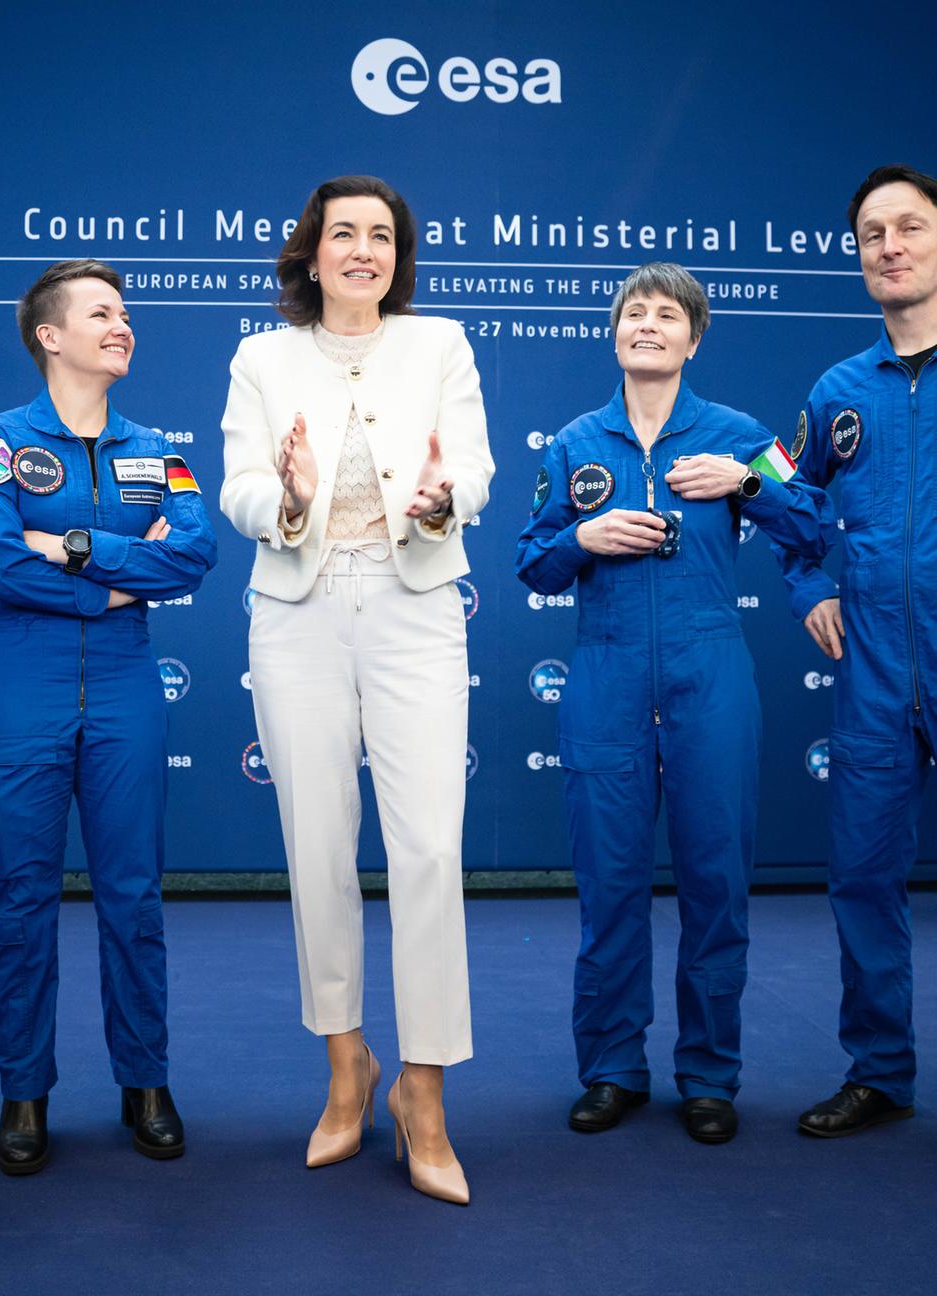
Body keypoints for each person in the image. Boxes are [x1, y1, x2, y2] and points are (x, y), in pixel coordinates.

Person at [220, 175, 493, 1204]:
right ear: (312, 251)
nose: (364, 251)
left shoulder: (441, 345)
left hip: (416, 607)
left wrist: (443, 495)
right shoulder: (261, 357)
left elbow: (474, 466)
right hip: (297, 613)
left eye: (382, 237)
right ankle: (348, 1069)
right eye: (345, 234)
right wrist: (284, 498)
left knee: (427, 848)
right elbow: (240, 482)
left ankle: (422, 1093)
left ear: (398, 258)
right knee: (319, 848)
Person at [517, 263, 832, 1144]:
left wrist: (746, 482)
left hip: (710, 674)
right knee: (610, 886)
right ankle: (612, 1069)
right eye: (633, 313)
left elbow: (808, 522)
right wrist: (582, 536)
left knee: (716, 885)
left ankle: (708, 1076)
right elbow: (531, 561)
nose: (646, 324)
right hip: (606, 676)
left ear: (694, 339)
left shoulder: (739, 435)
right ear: (614, 335)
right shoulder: (577, 442)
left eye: (667, 315)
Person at [0, 259, 216, 1174]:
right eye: (102, 313)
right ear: (49, 336)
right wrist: (110, 582)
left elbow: (192, 555)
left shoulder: (157, 447)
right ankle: (22, 1092)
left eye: (126, 312)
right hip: (18, 689)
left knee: (134, 897)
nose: (123, 325)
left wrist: (68, 546)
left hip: (124, 690)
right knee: (19, 902)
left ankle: (145, 1081)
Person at [780, 165, 937, 1138]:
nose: (891, 245)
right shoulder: (838, 390)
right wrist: (809, 585)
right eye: (873, 233)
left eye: (911, 226)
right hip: (877, 664)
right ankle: (879, 1071)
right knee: (865, 874)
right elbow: (793, 497)